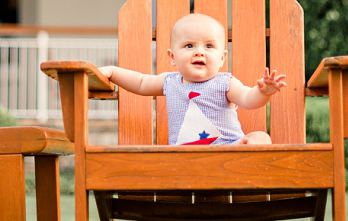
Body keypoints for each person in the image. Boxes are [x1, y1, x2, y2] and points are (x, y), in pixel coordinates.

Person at [99, 13, 286, 145]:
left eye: (209, 46)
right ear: (172, 57)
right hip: (185, 156)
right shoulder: (170, 82)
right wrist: (113, 72)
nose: (199, 52)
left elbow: (247, 99)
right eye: (189, 46)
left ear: (222, 58)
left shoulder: (225, 83)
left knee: (262, 137)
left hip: (229, 149)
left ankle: (244, 150)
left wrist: (263, 92)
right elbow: (140, 83)